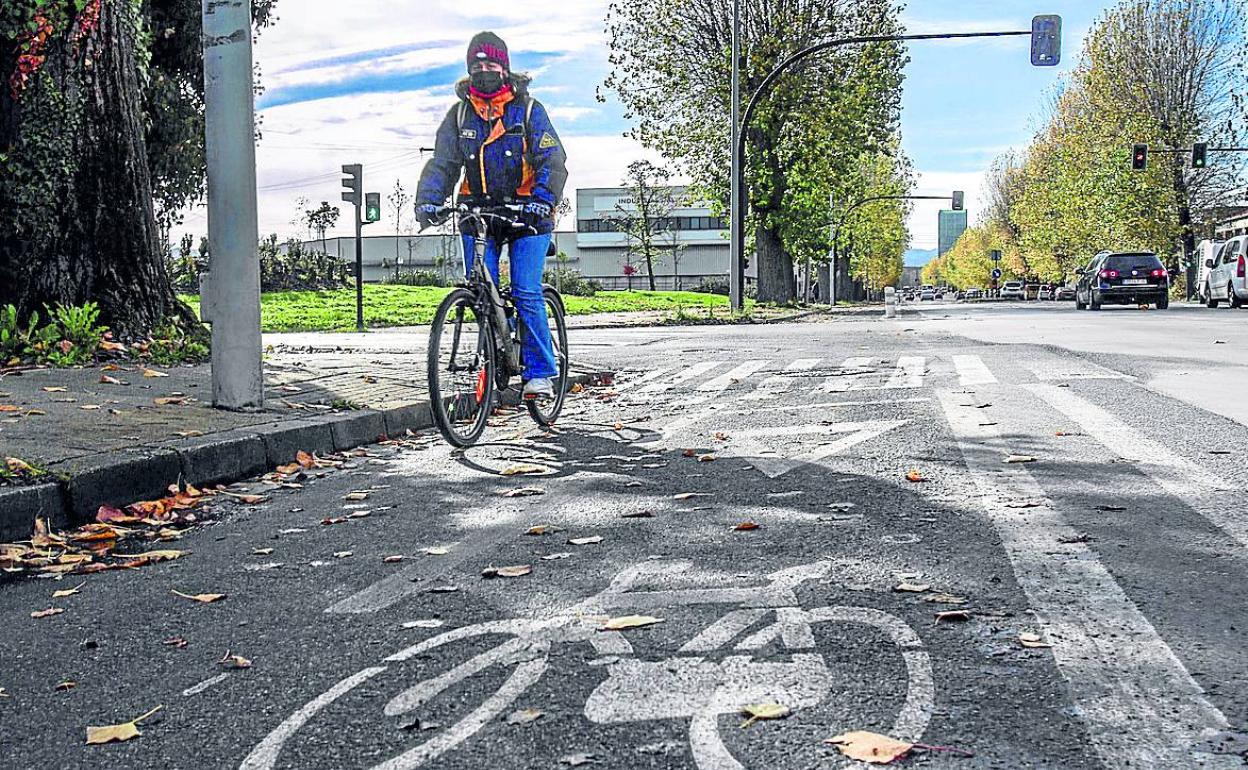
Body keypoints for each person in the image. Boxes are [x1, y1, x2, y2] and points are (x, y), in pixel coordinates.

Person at [415, 31, 568, 400]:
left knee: (525, 290)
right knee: (480, 287)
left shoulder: (529, 110)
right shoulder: (460, 114)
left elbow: (553, 160)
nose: (484, 70)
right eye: (477, 65)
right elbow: (443, 163)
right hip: (478, 211)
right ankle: (496, 344)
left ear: (505, 68)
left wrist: (542, 200)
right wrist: (429, 201)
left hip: (527, 215)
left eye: (491, 64)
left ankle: (540, 372)